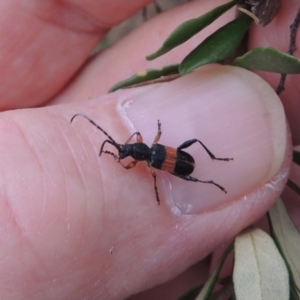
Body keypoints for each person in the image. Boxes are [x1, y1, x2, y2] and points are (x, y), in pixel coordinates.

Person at [0, 0, 298, 299]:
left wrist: (142, 176)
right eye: (129, 151)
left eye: (129, 150)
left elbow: (134, 162)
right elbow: (134, 154)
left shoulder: (152, 159)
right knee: (190, 153)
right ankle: (213, 171)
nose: (128, 153)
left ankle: (215, 166)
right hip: (181, 161)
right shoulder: (151, 151)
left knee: (193, 152)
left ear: (139, 150)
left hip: (184, 161)